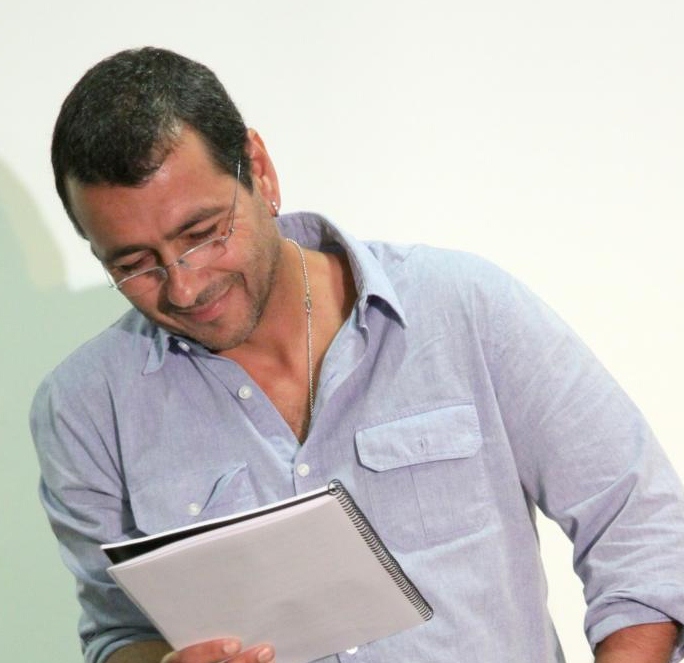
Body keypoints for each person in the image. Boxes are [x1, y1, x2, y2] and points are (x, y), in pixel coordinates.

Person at [31, 46, 684, 663]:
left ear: (260, 169)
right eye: (133, 264)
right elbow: (119, 633)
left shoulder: (462, 307)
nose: (184, 286)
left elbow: (641, 526)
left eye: (203, 234)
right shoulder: (83, 411)